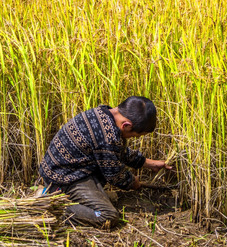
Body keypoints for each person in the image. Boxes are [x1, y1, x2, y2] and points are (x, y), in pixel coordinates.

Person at [39, 96, 172, 227]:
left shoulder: (102, 113)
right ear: (126, 125)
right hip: (62, 178)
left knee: (108, 194)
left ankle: (72, 197)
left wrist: (148, 163)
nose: (132, 138)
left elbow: (118, 152)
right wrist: (132, 182)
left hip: (61, 169)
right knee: (107, 216)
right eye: (135, 135)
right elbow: (115, 176)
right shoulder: (108, 137)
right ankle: (49, 203)